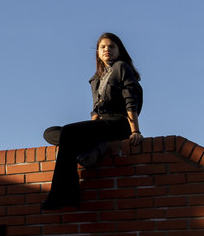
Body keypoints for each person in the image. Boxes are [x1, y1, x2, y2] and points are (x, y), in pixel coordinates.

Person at [41, 32, 143, 210]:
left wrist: (135, 131)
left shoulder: (121, 68)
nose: (107, 50)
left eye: (111, 46)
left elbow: (130, 101)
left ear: (119, 50)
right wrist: (88, 134)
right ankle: (89, 148)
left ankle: (62, 194)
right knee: (50, 132)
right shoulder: (96, 78)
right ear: (97, 52)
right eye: (103, 47)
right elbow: (95, 110)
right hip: (101, 126)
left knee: (68, 134)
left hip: (118, 124)